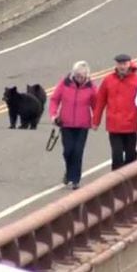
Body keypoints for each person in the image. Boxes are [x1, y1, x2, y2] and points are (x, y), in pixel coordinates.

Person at [49, 61, 97, 190]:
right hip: (66, 124)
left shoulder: (91, 87)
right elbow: (54, 99)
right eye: (77, 75)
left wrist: (95, 120)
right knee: (68, 151)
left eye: (82, 76)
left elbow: (96, 105)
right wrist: (54, 115)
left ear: (87, 76)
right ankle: (68, 171)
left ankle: (75, 179)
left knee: (78, 151)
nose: (80, 78)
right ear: (73, 74)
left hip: (83, 125)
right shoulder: (65, 83)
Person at [92, 54, 137, 170]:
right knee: (117, 155)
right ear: (116, 65)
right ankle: (116, 181)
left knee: (131, 156)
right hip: (114, 125)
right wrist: (96, 121)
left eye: (124, 64)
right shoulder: (108, 80)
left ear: (129, 64)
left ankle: (131, 180)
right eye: (120, 64)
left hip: (130, 125)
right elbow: (100, 102)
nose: (122, 66)